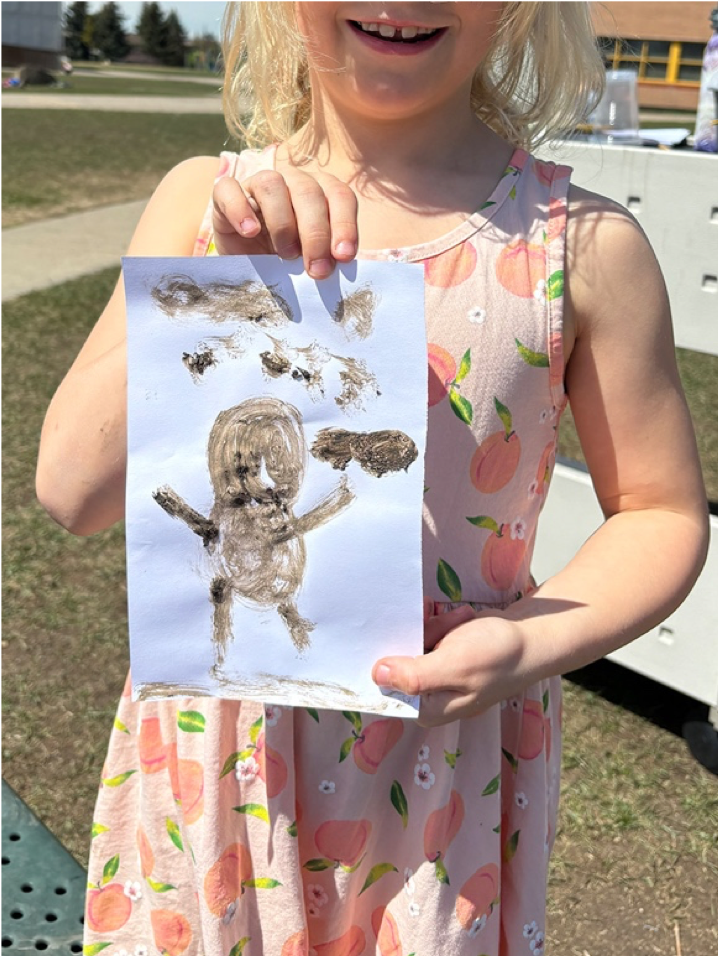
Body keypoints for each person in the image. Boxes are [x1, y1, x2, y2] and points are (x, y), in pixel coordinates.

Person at [36, 3, 709, 954]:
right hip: (221, 762)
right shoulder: (202, 203)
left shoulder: (580, 248)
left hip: (440, 787)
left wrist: (526, 647)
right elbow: (73, 490)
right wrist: (223, 294)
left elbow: (661, 510)